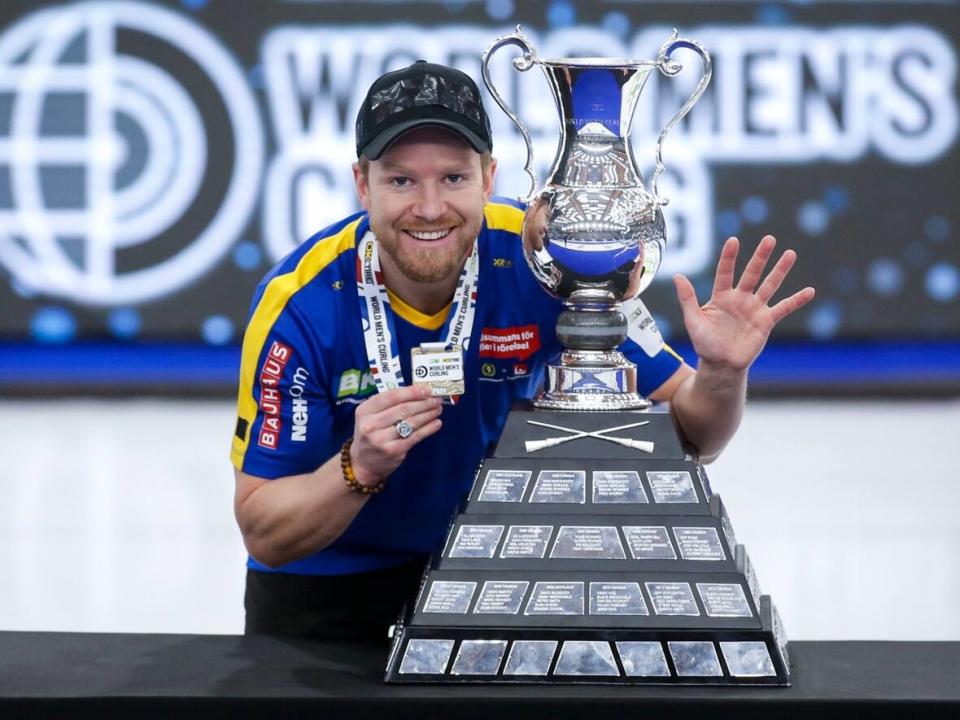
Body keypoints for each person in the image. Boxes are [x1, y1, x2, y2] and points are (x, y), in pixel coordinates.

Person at [230, 61, 815, 640]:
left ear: (488, 177)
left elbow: (697, 437)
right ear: (363, 184)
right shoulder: (299, 305)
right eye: (402, 180)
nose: (430, 208)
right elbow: (263, 531)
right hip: (325, 593)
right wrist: (356, 470)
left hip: (486, 573)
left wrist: (719, 372)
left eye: (454, 178)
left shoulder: (543, 258)